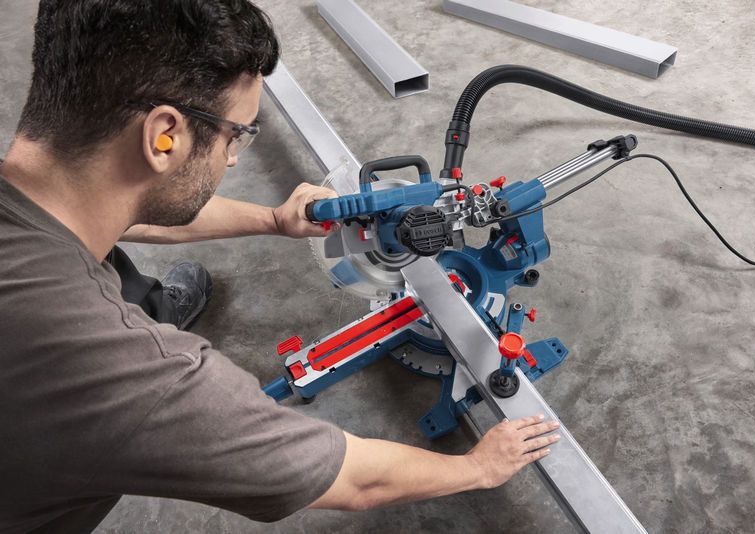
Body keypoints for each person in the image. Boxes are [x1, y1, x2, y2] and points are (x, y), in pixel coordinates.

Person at [0, 1, 561, 532]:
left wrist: (273, 218)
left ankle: (146, 299)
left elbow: (127, 212)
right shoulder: (126, 376)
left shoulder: (44, 181)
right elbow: (352, 479)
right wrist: (479, 468)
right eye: (236, 134)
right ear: (161, 138)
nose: (235, 155)